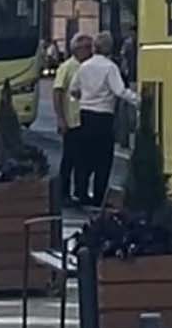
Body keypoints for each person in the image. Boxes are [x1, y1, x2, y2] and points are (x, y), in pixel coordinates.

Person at [69, 31, 138, 208]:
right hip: (103, 116)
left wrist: (84, 96)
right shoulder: (110, 68)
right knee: (103, 159)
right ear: (110, 48)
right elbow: (119, 91)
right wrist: (139, 100)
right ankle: (99, 195)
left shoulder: (84, 67)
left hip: (85, 114)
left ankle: (81, 192)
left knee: (84, 157)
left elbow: (73, 90)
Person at [53, 34, 91, 206]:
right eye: (86, 48)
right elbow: (58, 92)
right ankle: (63, 193)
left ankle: (81, 191)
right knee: (69, 159)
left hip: (86, 118)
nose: (90, 51)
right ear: (76, 49)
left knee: (84, 159)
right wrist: (61, 118)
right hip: (72, 119)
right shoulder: (67, 67)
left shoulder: (89, 67)